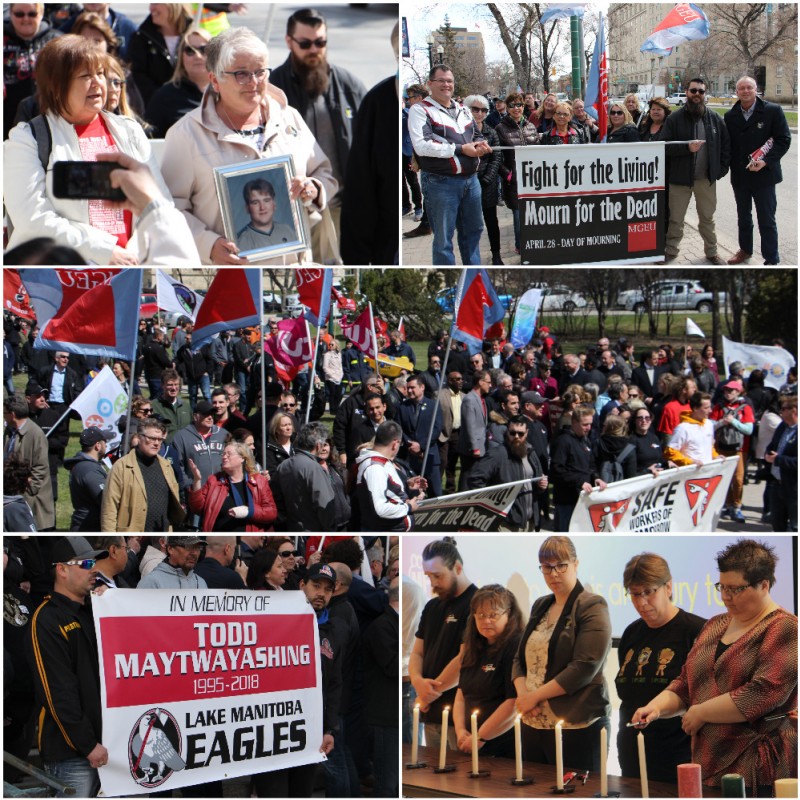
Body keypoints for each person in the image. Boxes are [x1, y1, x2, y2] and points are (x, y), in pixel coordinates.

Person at [632, 539, 797, 794]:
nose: (726, 596)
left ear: (764, 585)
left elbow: (762, 693)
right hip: (707, 759)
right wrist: (655, 707)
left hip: (758, 767)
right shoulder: (715, 625)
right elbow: (686, 683)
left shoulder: (784, 627)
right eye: (722, 587)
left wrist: (701, 712)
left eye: (736, 589)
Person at [161, 26, 336, 265]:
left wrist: (313, 189)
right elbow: (168, 211)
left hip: (294, 269)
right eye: (241, 73)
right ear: (215, 80)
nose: (254, 82)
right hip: (231, 273)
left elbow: (324, 173)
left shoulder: (288, 117)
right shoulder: (186, 135)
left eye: (260, 71)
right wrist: (208, 245)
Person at [4, 36, 172, 265]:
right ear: (56, 86)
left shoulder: (129, 130)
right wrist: (104, 251)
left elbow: (157, 202)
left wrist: (133, 251)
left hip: (128, 269)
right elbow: (32, 220)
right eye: (85, 76)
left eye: (101, 73)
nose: (98, 83)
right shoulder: (27, 139)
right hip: (59, 279)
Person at [269, 7, 365, 254]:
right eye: (305, 43)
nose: (314, 49)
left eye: (320, 42)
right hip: (294, 211)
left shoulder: (350, 86)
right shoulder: (272, 90)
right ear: (289, 42)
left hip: (344, 207)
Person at [513, 536, 612, 772]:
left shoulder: (591, 604)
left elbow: (585, 666)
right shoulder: (540, 605)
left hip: (576, 725)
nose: (554, 573)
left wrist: (534, 697)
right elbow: (519, 659)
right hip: (532, 722)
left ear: (576, 564)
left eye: (561, 565)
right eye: (547, 567)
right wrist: (525, 696)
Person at [27, 536, 110, 797]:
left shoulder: (94, 608)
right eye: (85, 563)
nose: (94, 568)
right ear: (62, 569)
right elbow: (58, 690)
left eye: (94, 562)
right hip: (73, 754)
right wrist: (87, 745)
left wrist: (111, 607)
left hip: (111, 744)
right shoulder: (47, 618)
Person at [616, 553, 705, 783]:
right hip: (632, 756)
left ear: (668, 587)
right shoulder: (631, 633)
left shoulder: (696, 631)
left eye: (648, 592)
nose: (641, 602)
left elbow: (702, 697)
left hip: (680, 757)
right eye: (635, 594)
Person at [252, 562, 340, 797]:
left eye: (328, 589)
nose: (321, 593)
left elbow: (333, 685)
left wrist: (330, 729)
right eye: (316, 585)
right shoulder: (275, 619)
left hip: (308, 736)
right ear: (302, 585)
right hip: (272, 735)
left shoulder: (331, 631)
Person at [407, 64, 490, 265]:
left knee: (474, 231)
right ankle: (451, 280)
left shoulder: (462, 109)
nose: (446, 84)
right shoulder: (420, 110)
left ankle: (473, 276)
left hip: (471, 181)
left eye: (450, 81)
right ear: (430, 84)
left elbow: (476, 134)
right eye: (441, 80)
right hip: (440, 183)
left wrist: (481, 144)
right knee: (444, 239)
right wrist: (461, 149)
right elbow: (422, 146)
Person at [409, 538, 477, 750]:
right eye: (429, 576)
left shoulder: (477, 603)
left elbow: (464, 658)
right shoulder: (431, 606)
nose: (433, 583)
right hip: (431, 715)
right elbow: (417, 652)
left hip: (458, 717)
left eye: (438, 576)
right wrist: (417, 680)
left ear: (457, 568)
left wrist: (428, 694)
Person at [724, 75, 792, 265]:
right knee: (743, 217)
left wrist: (766, 161)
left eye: (749, 88)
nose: (745, 91)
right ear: (736, 92)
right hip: (740, 176)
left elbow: (783, 140)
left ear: (756, 90)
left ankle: (771, 258)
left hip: (765, 176)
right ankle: (745, 250)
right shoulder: (730, 116)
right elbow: (728, 146)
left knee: (767, 220)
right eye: (741, 88)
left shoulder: (773, 111)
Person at [662, 77, 730, 264]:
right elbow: (663, 146)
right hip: (679, 180)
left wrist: (720, 170)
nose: (697, 95)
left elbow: (725, 146)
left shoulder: (715, 119)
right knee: (676, 219)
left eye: (701, 91)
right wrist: (686, 148)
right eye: (694, 91)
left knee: (707, 218)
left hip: (705, 180)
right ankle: (672, 250)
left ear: (704, 94)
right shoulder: (674, 119)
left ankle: (711, 251)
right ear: (687, 92)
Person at [453, 585, 524, 759]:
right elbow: (461, 695)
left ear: (509, 615)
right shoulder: (473, 646)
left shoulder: (516, 646)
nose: (486, 621)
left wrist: (481, 736)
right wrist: (461, 731)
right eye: (481, 615)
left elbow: (513, 702)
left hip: (505, 746)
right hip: (471, 742)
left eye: (493, 615)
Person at [100, 417, 185, 532]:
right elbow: (109, 509)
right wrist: (112, 540)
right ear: (139, 438)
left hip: (161, 538)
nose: (156, 443)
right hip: (131, 538)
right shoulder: (121, 467)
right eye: (151, 438)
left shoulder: (166, 466)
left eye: (160, 439)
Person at [468, 416, 548, 531]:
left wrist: (541, 486)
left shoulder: (531, 452)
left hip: (529, 521)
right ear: (507, 432)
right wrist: (492, 505)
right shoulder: (497, 454)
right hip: (506, 523)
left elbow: (537, 481)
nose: (516, 437)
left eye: (520, 434)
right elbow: (475, 479)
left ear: (526, 433)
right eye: (512, 433)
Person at [362, 576, 399, 798]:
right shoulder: (382, 627)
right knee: (387, 780)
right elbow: (392, 666)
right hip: (384, 715)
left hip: (393, 711)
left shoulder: (392, 625)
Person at [188, 441, 277, 533]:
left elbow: (271, 513)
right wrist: (197, 480)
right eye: (223, 454)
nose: (224, 457)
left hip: (248, 538)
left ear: (242, 458)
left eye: (229, 454)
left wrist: (249, 511)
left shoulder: (259, 481)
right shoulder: (214, 480)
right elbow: (197, 508)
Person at [355, 420, 426, 532]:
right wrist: (408, 507)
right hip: (388, 535)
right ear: (395, 444)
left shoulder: (381, 462)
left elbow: (387, 491)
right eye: (400, 444)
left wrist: (406, 485)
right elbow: (380, 508)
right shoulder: (375, 467)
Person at [3, 3, 62, 139]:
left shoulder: (58, 41)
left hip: (44, 116)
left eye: (32, 14)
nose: (25, 19)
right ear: (10, 13)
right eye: (19, 14)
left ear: (41, 14)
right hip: (6, 115)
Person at [145, 26, 211, 138]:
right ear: (181, 57)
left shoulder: (227, 93)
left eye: (204, 50)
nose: (197, 56)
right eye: (190, 50)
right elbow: (151, 141)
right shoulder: (164, 96)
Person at [495, 92, 539, 256]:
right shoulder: (500, 128)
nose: (516, 108)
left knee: (533, 212)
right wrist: (508, 175)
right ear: (507, 107)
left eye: (519, 105)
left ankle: (535, 242)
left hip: (534, 179)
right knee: (519, 215)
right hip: (514, 181)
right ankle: (521, 246)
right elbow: (496, 158)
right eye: (512, 105)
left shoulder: (530, 126)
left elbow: (540, 152)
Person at [550, 406, 607, 531]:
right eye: (585, 424)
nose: (589, 428)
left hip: (583, 499)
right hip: (567, 501)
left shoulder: (585, 441)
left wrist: (596, 478)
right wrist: (579, 481)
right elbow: (556, 470)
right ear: (574, 422)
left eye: (590, 424)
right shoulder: (563, 441)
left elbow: (591, 466)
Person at [272, 421, 336, 531]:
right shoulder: (314, 468)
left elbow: (276, 498)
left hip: (292, 528)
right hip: (312, 530)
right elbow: (324, 505)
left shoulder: (283, 465)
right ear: (318, 445)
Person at [3, 395, 55, 531]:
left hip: (30, 497)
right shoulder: (9, 432)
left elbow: (41, 467)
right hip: (11, 493)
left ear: (12, 414)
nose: (3, 417)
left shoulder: (35, 434)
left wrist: (30, 489)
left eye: (4, 413)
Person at [465, 93, 503, 265]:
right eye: (475, 109)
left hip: (487, 184)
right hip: (466, 183)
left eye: (483, 110)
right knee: (469, 225)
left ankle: (496, 254)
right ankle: (472, 258)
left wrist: (487, 179)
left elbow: (496, 157)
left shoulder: (491, 132)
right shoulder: (462, 133)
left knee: (491, 222)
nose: (479, 113)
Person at [128, 3, 192, 105]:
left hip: (189, 104)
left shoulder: (193, 34)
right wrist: (161, 98)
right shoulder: (141, 37)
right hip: (155, 106)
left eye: (156, 3)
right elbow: (138, 75)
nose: (151, 8)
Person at [711, 379, 755, 522]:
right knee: (725, 478)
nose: (728, 393)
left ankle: (737, 506)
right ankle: (728, 505)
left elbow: (749, 430)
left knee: (738, 479)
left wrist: (734, 422)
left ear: (738, 392)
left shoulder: (745, 408)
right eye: (726, 390)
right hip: (721, 447)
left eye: (731, 391)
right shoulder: (718, 407)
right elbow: (711, 426)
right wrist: (722, 422)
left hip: (739, 449)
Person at [397, 374, 443, 496]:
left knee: (436, 492)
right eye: (408, 388)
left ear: (422, 387)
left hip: (429, 455)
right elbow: (399, 429)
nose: (410, 390)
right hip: (410, 457)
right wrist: (410, 444)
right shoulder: (403, 407)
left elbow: (437, 429)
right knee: (413, 492)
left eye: (413, 387)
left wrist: (421, 446)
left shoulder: (433, 405)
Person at [63, 426, 115, 532]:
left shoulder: (85, 466)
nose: (106, 446)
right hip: (89, 528)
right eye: (105, 443)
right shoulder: (89, 470)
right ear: (98, 446)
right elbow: (105, 499)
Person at [235, 178, 297, 252]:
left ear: (274, 204)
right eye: (255, 203)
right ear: (247, 208)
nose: (262, 207)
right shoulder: (241, 241)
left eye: (266, 201)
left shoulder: (287, 230)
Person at [764, 394, 797, 531]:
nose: (781, 412)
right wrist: (768, 453)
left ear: (794, 410)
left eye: (783, 409)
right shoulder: (783, 426)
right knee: (777, 525)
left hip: (794, 487)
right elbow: (772, 445)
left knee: (795, 526)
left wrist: (778, 460)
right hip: (777, 484)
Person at [457, 368, 491, 490]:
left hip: (480, 445)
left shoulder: (481, 399)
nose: (490, 385)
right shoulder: (469, 399)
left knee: (475, 475)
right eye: (488, 382)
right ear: (481, 382)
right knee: (467, 475)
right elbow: (469, 425)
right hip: (471, 448)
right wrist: (475, 447)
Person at [665, 391, 720, 467]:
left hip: (708, 472)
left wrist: (715, 456)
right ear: (695, 408)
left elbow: (709, 446)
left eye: (710, 407)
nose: (710, 411)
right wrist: (690, 462)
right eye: (706, 408)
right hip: (691, 475)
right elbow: (670, 452)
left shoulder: (709, 424)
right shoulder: (682, 428)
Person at [137, 535, 208, 589]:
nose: (195, 553)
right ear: (170, 549)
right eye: (188, 547)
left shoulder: (201, 582)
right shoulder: (151, 581)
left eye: (198, 548)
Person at [402, 84, 427, 220]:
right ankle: (406, 205)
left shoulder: (407, 112)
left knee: (413, 181)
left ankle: (419, 207)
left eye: (409, 98)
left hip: (409, 153)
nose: (408, 101)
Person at [150, 369, 191, 442]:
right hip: (164, 450)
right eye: (170, 385)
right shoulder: (153, 406)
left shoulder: (186, 406)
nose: (173, 388)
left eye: (176, 384)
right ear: (162, 385)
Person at [597, 414, 638, 483]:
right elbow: (631, 476)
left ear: (608, 428)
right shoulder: (629, 448)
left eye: (604, 426)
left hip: (601, 486)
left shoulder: (597, 443)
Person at [631, 406, 668, 476]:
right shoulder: (631, 440)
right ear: (634, 421)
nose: (644, 420)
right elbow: (631, 468)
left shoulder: (654, 438)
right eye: (640, 418)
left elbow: (660, 458)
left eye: (647, 418)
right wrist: (647, 470)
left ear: (651, 420)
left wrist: (667, 463)